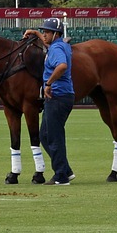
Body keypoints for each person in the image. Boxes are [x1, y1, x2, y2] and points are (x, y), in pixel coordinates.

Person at [35, 17, 75, 185]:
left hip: (57, 96)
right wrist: (36, 34)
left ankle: (61, 176)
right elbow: (51, 46)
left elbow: (62, 66)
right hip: (62, 96)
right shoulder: (61, 45)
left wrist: (49, 84)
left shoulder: (57, 48)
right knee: (44, 135)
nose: (44, 35)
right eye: (43, 32)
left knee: (54, 136)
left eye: (47, 32)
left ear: (56, 34)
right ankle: (65, 169)